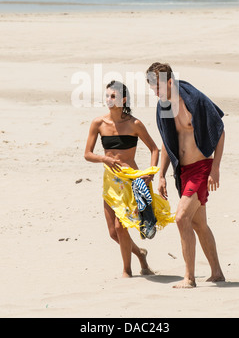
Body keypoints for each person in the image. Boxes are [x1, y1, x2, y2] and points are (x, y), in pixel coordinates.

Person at [84, 80, 175, 278]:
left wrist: (150, 175)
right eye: (107, 96)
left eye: (113, 96)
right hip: (110, 182)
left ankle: (127, 270)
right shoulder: (98, 123)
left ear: (123, 99)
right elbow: (87, 154)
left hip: (131, 181)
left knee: (120, 225)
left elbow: (154, 148)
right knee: (112, 232)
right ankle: (140, 254)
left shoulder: (134, 124)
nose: (109, 99)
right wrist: (104, 158)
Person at [146, 62, 225, 288]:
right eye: (152, 89)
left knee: (181, 218)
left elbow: (219, 131)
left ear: (170, 82)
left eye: (158, 88)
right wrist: (161, 174)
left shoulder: (194, 100)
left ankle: (189, 278)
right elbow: (167, 141)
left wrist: (215, 168)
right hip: (183, 172)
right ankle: (217, 273)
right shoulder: (164, 106)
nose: (155, 93)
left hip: (201, 169)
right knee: (199, 224)